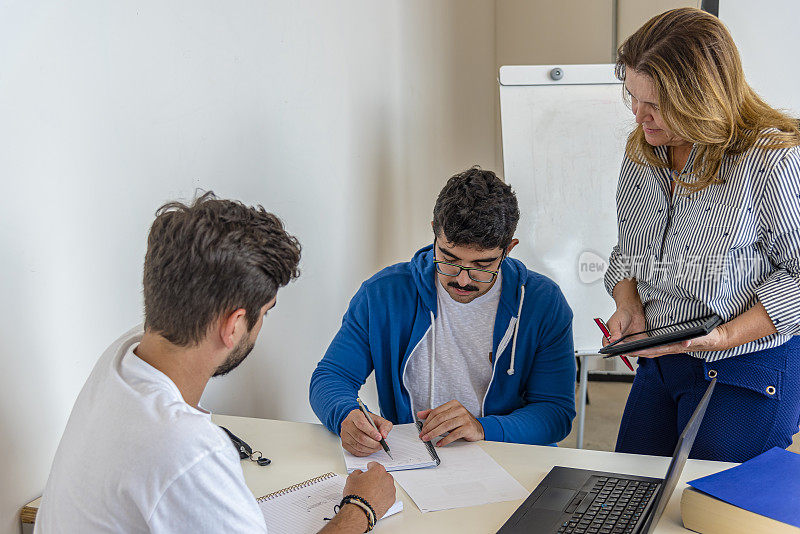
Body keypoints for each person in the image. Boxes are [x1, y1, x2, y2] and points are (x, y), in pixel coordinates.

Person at [35, 193, 395, 533]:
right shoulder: (188, 450)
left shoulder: (121, 359)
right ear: (234, 324)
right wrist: (361, 507)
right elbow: (182, 453)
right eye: (265, 313)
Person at [604, 8, 800, 463]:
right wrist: (628, 302)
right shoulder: (643, 151)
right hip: (663, 354)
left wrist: (726, 336)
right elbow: (627, 250)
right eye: (632, 96)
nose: (639, 115)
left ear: (701, 97)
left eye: (655, 104)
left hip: (747, 364)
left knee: (709, 506)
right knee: (630, 486)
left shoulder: (771, 160)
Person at [310, 167, 576, 456]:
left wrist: (483, 428)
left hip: (511, 458)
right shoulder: (382, 294)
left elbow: (555, 413)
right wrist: (345, 415)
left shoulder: (543, 302)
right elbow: (331, 376)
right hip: (418, 464)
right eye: (449, 259)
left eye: (482, 266)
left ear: (509, 249)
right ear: (435, 230)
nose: (463, 279)